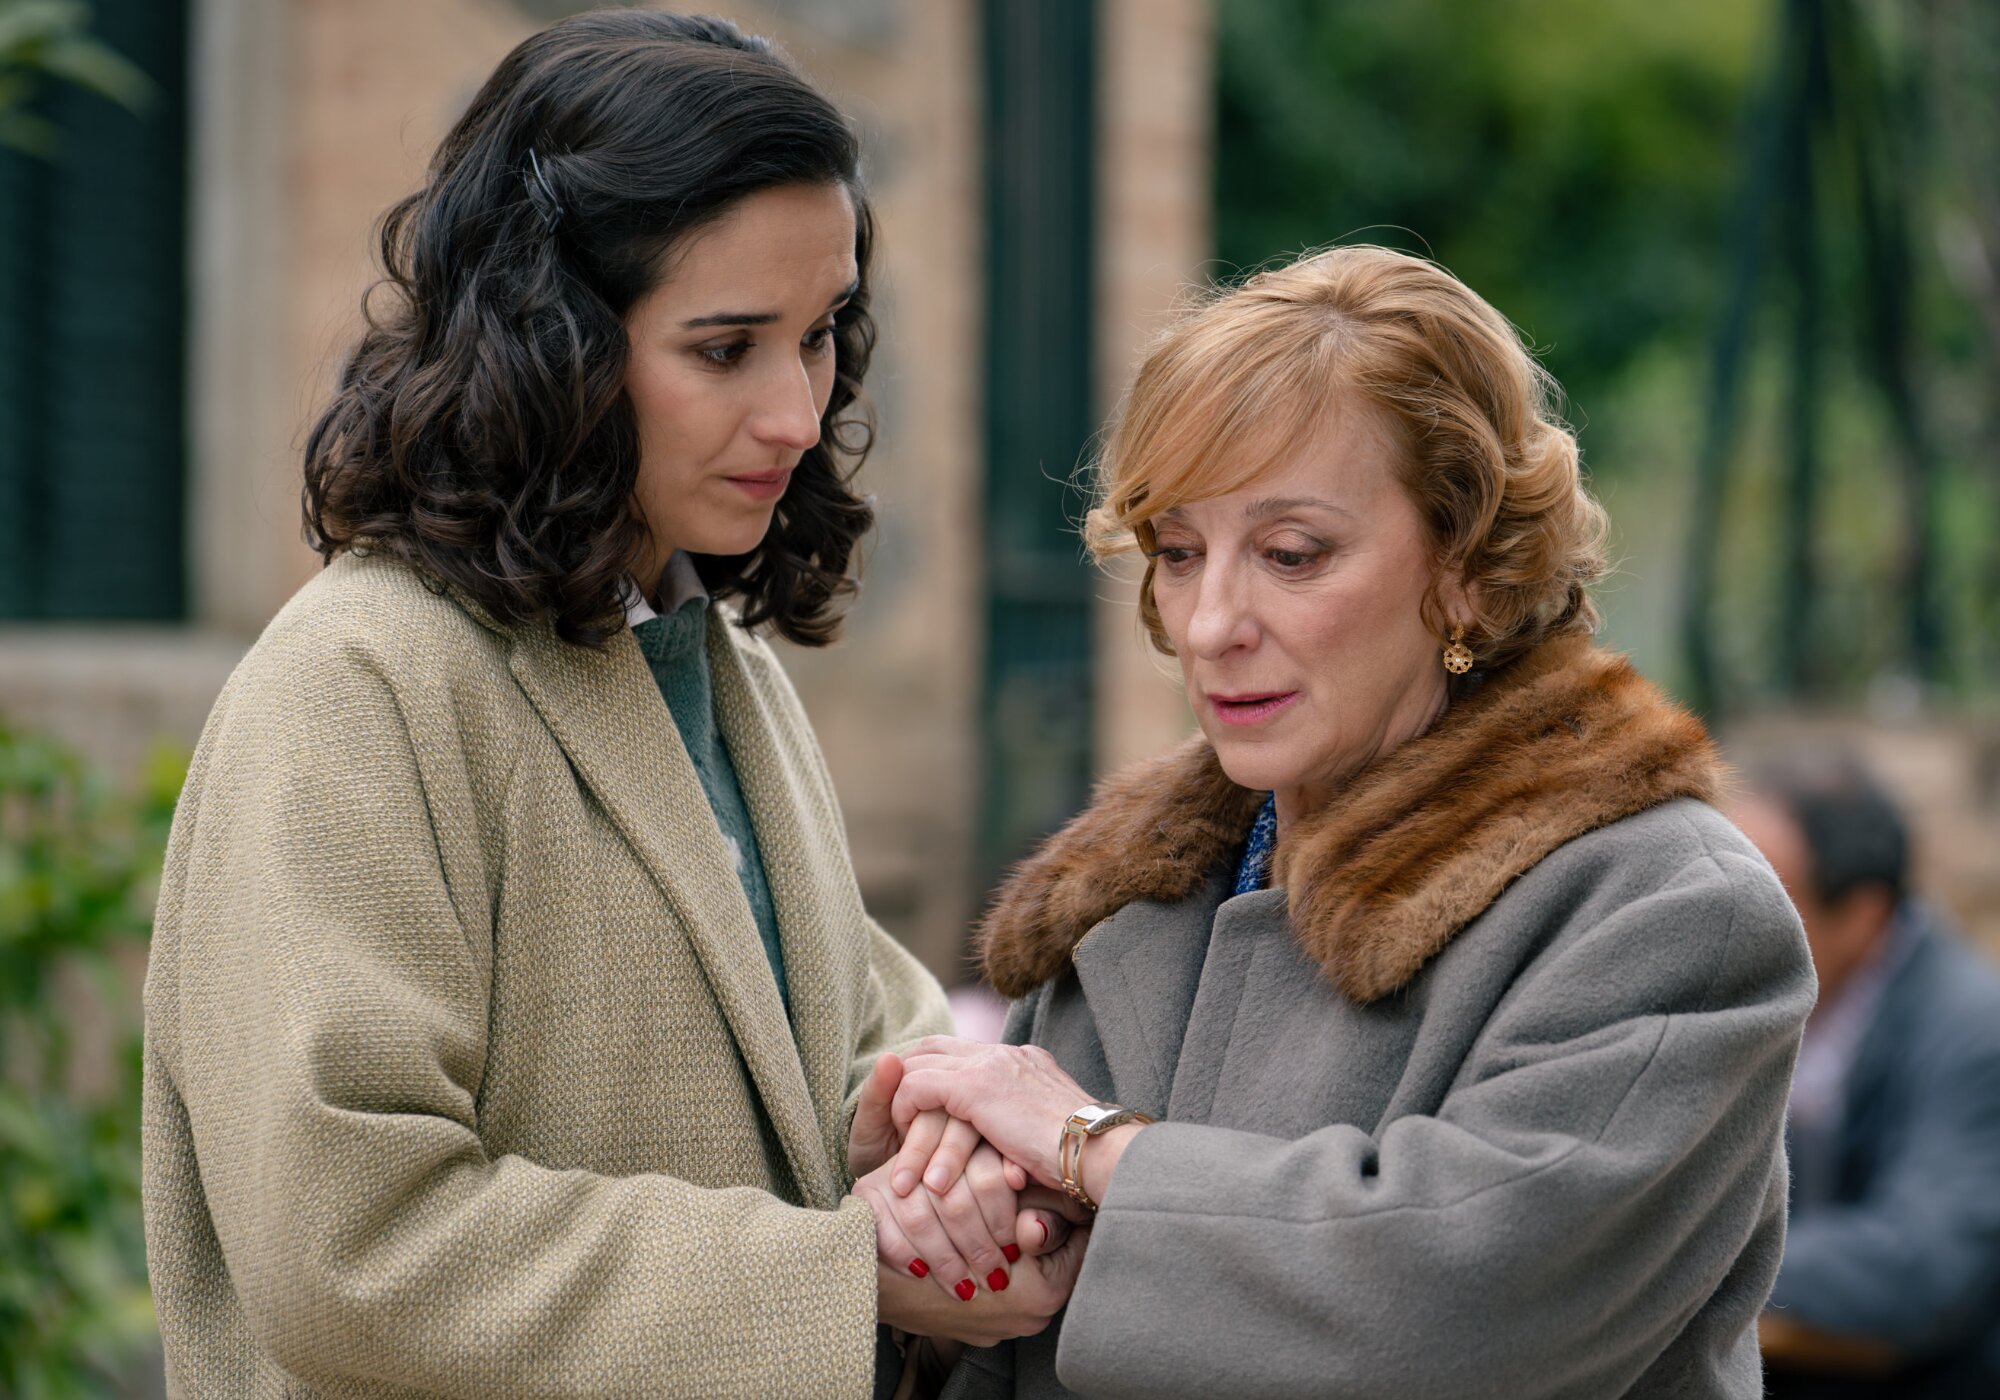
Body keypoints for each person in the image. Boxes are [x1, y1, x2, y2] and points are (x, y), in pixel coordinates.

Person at [140, 13, 1079, 1398]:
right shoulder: (352, 690)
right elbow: (350, 1244)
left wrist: (940, 1153)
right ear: (552, 343)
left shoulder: (720, 667)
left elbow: (862, 1051)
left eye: (819, 335)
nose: (798, 413)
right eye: (726, 347)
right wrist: (846, 1271)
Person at [878, 245, 1818, 1398]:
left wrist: (1095, 1148)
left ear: (1466, 568)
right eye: (1177, 552)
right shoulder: (1122, 897)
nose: (1208, 622)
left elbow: (1453, 1317)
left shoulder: (1668, 909)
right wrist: (932, 1251)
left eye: (1290, 553)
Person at [1733, 756, 2000, 1398]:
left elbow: (1923, 1267)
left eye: (1759, 897)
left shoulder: (1973, 1033)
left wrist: (1688, 1259)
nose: (1723, 921)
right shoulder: (1772, 1005)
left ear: (1860, 913)